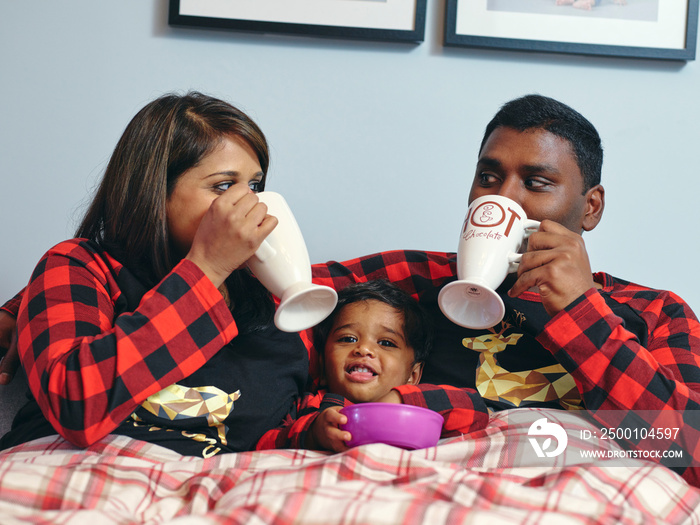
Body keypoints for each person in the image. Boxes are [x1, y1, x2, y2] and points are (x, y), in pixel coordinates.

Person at [2, 94, 699, 485]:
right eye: (489, 177)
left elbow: (687, 448)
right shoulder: (421, 283)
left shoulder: (650, 313)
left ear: (592, 207)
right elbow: (301, 296)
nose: (503, 198)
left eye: (536, 183)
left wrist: (583, 315)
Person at [0, 92, 484, 458]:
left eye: (255, 185)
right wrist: (205, 269)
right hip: (75, 473)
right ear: (154, 190)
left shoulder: (278, 295)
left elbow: (396, 279)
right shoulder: (82, 267)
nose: (248, 203)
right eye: (224, 185)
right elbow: (75, 403)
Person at [256, 280, 488, 452]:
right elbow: (263, 442)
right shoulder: (313, 405)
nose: (363, 350)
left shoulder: (419, 405)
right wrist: (314, 433)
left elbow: (475, 409)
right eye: (347, 339)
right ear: (324, 368)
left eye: (386, 343)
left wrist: (401, 399)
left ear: (413, 375)